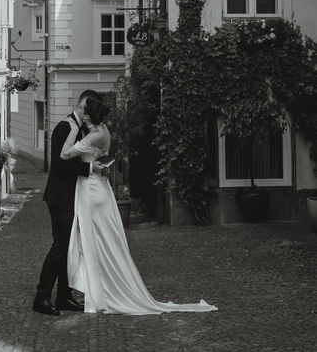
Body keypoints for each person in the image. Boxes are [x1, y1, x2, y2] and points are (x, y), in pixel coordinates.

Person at [60, 97, 218, 315]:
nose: (79, 113)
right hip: (101, 188)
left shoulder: (94, 134)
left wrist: (71, 129)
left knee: (93, 243)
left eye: (82, 110)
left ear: (87, 116)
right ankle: (100, 289)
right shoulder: (104, 130)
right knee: (105, 243)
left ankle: (100, 294)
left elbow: (64, 154)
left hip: (92, 190)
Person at [32, 89, 105, 316]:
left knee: (70, 248)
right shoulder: (65, 127)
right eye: (89, 111)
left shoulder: (82, 128)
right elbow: (60, 165)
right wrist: (90, 168)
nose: (90, 116)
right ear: (82, 106)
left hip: (73, 196)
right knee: (60, 246)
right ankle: (41, 297)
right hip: (60, 196)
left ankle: (64, 296)